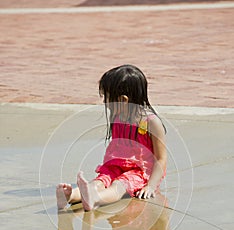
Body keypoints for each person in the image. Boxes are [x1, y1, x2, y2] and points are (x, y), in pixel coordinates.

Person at [56, 64, 167, 211]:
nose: (104, 102)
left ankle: (96, 199)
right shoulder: (117, 115)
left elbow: (161, 158)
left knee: (119, 186)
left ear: (123, 100)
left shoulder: (151, 122)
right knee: (99, 182)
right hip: (115, 165)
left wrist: (151, 186)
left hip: (140, 172)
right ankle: (70, 196)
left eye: (107, 97)